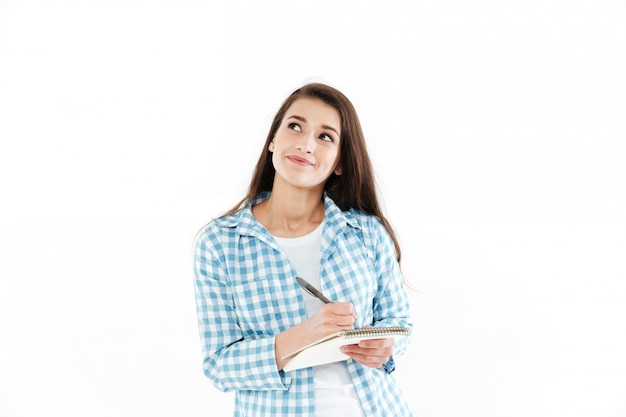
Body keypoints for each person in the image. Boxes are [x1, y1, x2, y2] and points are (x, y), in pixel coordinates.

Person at [193, 82, 416, 416]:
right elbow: (220, 365)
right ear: (273, 140)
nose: (306, 144)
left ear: (340, 162)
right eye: (295, 126)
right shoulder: (220, 243)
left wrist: (386, 347)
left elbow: (400, 322)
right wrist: (305, 335)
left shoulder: (367, 232)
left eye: (325, 137)